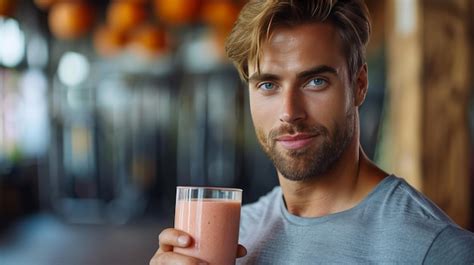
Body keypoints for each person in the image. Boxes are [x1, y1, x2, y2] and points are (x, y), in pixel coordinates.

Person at [150, 0, 474, 264]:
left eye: (315, 81)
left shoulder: (434, 249)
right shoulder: (237, 234)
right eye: (268, 84)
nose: (290, 112)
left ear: (359, 85)